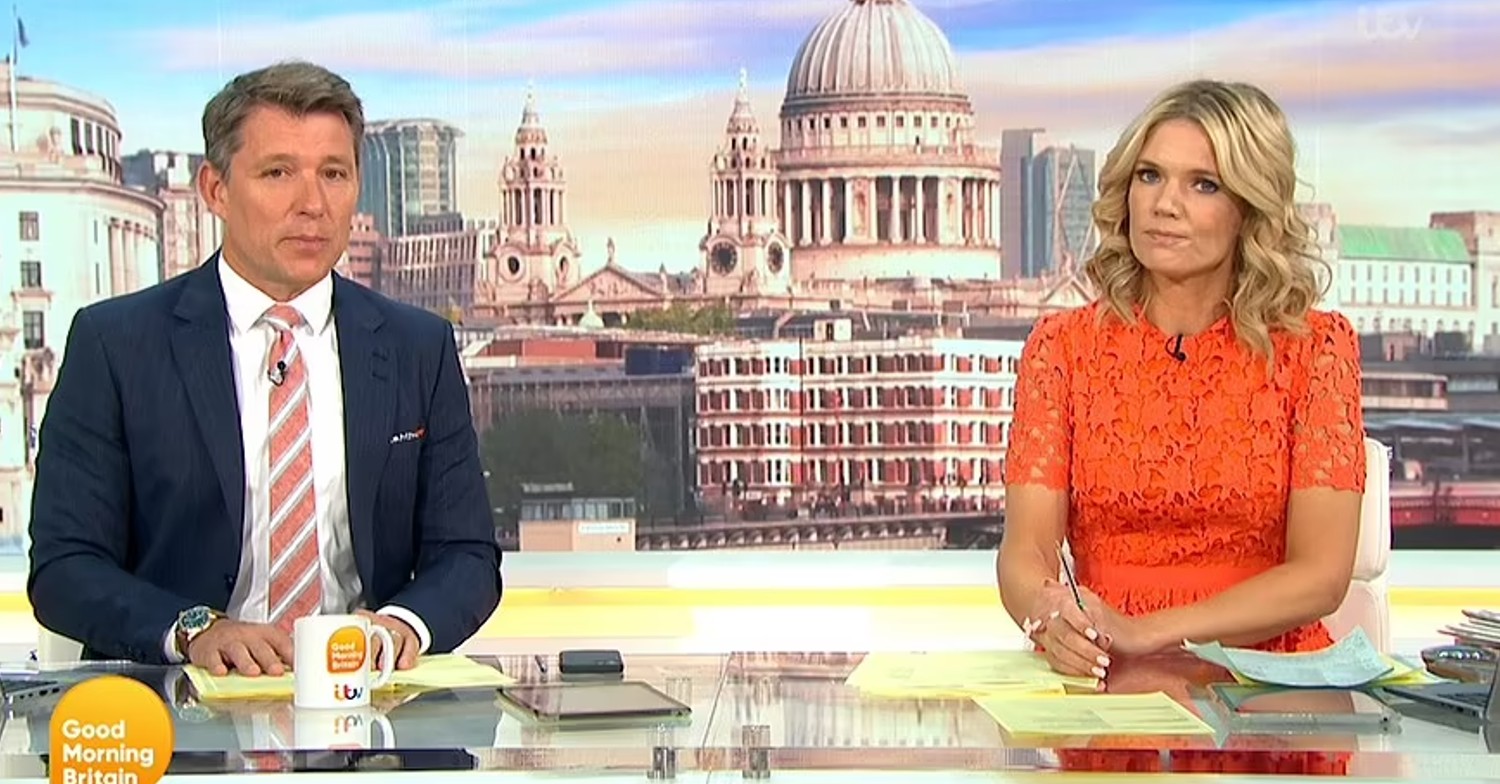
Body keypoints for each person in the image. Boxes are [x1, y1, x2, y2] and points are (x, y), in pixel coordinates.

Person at [26, 60, 502, 676]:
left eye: (334, 174)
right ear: (216, 190)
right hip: (177, 713)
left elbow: (466, 555)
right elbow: (65, 567)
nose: (313, 204)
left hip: (368, 715)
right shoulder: (114, 344)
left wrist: (402, 626)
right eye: (278, 173)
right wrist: (195, 629)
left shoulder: (420, 347)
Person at [998, 79, 1365, 774]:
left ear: (1249, 209)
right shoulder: (1062, 348)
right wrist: (1048, 613)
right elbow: (1025, 552)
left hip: (1269, 700)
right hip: (1106, 695)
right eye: (1150, 175)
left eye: (1203, 184)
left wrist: (1145, 631)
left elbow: (1321, 576)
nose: (1164, 204)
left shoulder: (1317, 349)